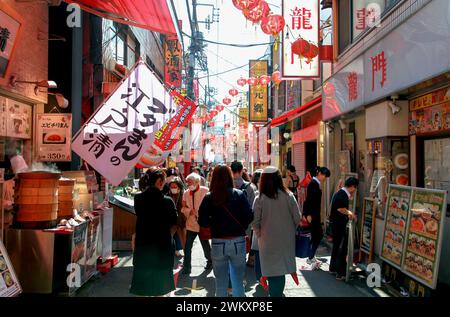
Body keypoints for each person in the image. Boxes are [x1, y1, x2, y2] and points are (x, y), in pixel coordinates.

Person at [198, 165, 253, 297]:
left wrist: (214, 224)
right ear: (229, 177)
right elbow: (250, 216)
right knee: (238, 282)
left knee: (220, 283)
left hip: (218, 242)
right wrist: (241, 226)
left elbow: (202, 222)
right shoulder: (239, 194)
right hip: (238, 241)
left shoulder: (209, 197)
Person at [252, 166, 301, 297]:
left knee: (272, 270)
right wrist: (289, 230)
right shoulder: (289, 196)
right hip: (285, 240)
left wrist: (259, 234)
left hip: (266, 241)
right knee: (280, 271)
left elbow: (254, 221)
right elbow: (297, 217)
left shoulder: (259, 198)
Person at [130, 167, 178, 297]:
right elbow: (175, 224)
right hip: (162, 245)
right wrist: (169, 236)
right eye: (163, 181)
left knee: (144, 284)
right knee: (160, 285)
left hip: (143, 244)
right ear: (158, 181)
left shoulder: (138, 199)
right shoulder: (167, 201)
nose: (165, 184)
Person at [181, 173, 212, 274]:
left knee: (205, 244)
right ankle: (186, 267)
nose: (188, 184)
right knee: (188, 246)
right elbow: (183, 208)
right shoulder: (186, 193)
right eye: (187, 182)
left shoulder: (205, 191)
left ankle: (210, 261)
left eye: (190, 182)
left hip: (202, 223)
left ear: (197, 182)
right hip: (191, 224)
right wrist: (189, 211)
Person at [329, 177, 359, 280]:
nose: (355, 191)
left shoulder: (341, 193)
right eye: (355, 188)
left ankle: (333, 268)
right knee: (342, 248)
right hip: (339, 225)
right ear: (352, 187)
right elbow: (340, 209)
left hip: (336, 224)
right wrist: (351, 214)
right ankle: (340, 273)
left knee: (337, 246)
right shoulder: (342, 194)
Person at [302, 166, 331, 269]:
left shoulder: (315, 184)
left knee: (316, 235)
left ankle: (311, 256)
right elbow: (309, 201)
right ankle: (310, 256)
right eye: (324, 176)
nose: (325, 178)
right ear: (319, 174)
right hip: (313, 215)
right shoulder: (313, 184)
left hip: (315, 214)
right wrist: (307, 214)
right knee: (317, 235)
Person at [230, 161, 256, 266]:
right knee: (245, 242)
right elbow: (253, 207)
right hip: (245, 224)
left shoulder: (226, 185)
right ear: (241, 171)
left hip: (230, 222)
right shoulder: (250, 187)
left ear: (231, 171)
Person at [250, 169, 263, 282]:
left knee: (259, 254)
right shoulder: (285, 195)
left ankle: (260, 277)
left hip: (259, 232)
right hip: (272, 234)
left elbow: (254, 219)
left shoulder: (258, 196)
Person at [167, 177, 186, 257]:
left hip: (182, 220)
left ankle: (187, 256)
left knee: (183, 239)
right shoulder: (168, 195)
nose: (173, 189)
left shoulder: (184, 195)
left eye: (175, 187)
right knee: (168, 237)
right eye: (171, 187)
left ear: (179, 187)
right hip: (171, 221)